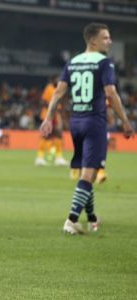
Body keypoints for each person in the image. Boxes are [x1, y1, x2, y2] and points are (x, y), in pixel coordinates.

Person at [40, 23, 134, 235]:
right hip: (94, 122)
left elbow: (58, 93)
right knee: (89, 173)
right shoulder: (104, 63)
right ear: (93, 40)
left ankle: (92, 217)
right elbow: (110, 94)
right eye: (106, 38)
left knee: (87, 173)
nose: (109, 41)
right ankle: (71, 219)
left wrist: (48, 118)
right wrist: (125, 121)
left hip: (76, 122)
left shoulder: (72, 62)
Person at [35, 75, 68, 166]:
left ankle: (58, 157)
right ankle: (40, 157)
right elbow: (43, 101)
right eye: (57, 79)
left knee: (58, 135)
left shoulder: (59, 88)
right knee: (45, 135)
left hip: (56, 114)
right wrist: (51, 109)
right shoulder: (49, 88)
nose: (59, 80)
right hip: (48, 115)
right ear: (53, 79)